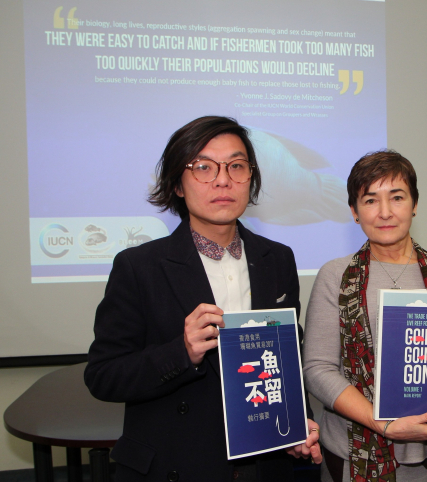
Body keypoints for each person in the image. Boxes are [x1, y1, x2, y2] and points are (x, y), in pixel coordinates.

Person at [85, 116, 321, 481]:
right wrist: (182, 351)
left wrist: (295, 423)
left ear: (251, 178)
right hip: (175, 464)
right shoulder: (139, 266)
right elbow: (103, 376)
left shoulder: (278, 258)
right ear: (178, 184)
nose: (223, 179)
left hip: (261, 467)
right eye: (203, 167)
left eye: (237, 166)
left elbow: (284, 357)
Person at [303, 150, 427, 482]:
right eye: (370, 200)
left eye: (397, 197)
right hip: (354, 455)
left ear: (414, 204)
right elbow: (317, 370)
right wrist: (383, 423)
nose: (385, 212)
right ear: (354, 212)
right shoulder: (335, 276)